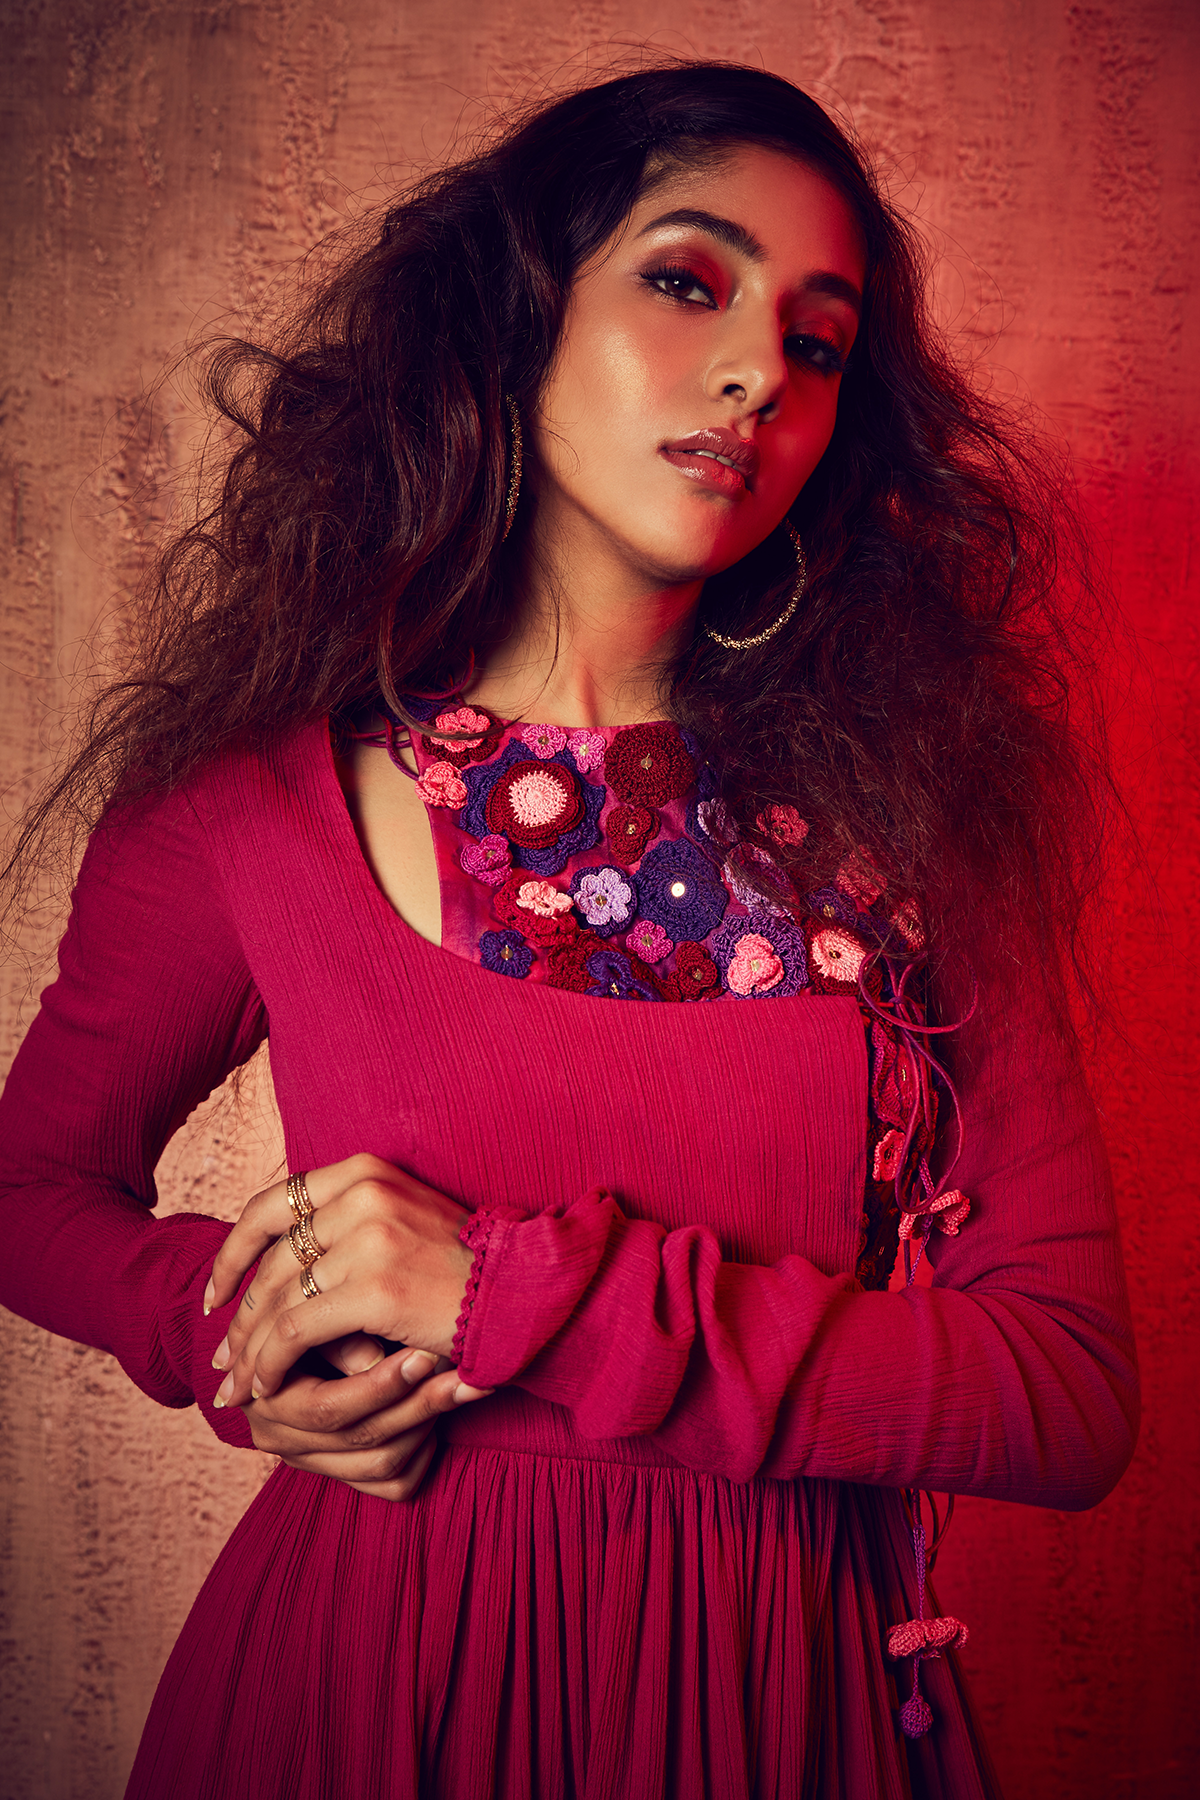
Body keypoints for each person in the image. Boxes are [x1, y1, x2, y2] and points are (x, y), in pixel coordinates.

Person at [0, 61, 1136, 1800]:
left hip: (788, 1713)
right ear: (514, 310)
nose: (759, 370)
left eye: (818, 342)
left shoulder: (917, 823)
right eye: (687, 281)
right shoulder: (255, 797)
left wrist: (515, 1294)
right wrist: (246, 1340)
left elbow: (1063, 1394)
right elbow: (31, 1189)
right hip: (370, 1698)